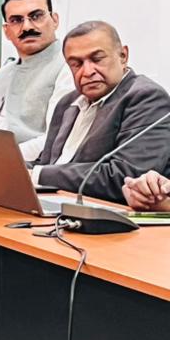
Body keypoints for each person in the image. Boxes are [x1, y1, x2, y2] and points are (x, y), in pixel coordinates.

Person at [29, 21, 170, 203]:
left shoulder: (146, 97)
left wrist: (38, 175)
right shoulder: (67, 103)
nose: (87, 71)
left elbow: (127, 176)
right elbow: (47, 163)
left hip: (102, 212)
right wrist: (10, 169)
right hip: (52, 203)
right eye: (76, 64)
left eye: (97, 59)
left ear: (123, 56)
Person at [0, 0, 73, 159]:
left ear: (55, 20)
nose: (27, 27)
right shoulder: (0, 77)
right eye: (16, 20)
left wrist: (1, 157)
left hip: (33, 168)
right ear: (7, 31)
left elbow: (57, 138)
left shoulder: (69, 68)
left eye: (36, 16)